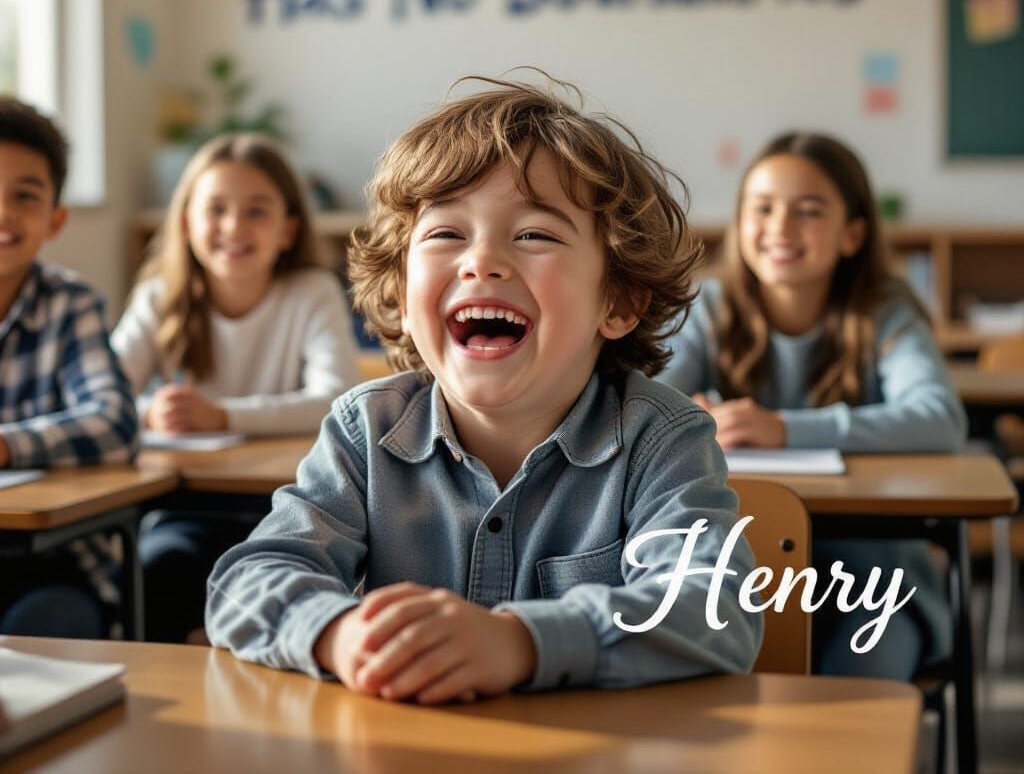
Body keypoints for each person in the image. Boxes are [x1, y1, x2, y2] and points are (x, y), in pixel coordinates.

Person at [206, 75, 762, 703]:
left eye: (534, 235)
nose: (481, 262)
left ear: (619, 301)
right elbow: (245, 582)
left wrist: (521, 642)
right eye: (446, 234)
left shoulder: (661, 439)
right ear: (401, 291)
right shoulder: (365, 431)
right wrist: (335, 634)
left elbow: (716, 612)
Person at [658, 131, 966, 679]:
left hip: (874, 581)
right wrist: (690, 416)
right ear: (739, 222)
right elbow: (646, 405)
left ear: (853, 234)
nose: (780, 227)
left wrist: (784, 429)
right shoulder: (708, 308)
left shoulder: (884, 312)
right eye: (763, 208)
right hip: (741, 569)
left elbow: (940, 418)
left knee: (859, 687)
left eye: (808, 211)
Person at [113, 133, 361, 641]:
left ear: (288, 230)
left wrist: (222, 415)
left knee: (284, 588)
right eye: (216, 209)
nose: (233, 226)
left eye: (257, 211)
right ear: (187, 224)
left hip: (284, 507)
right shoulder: (158, 297)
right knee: (157, 572)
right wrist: (150, 410)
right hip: (182, 508)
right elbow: (101, 399)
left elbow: (337, 400)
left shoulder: (312, 293)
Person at [0, 97, 137, 638]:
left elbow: (115, 423)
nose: (4, 212)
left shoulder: (70, 303)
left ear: (55, 219)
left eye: (24, 196)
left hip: (51, 562)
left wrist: (7, 446)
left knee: (49, 629)